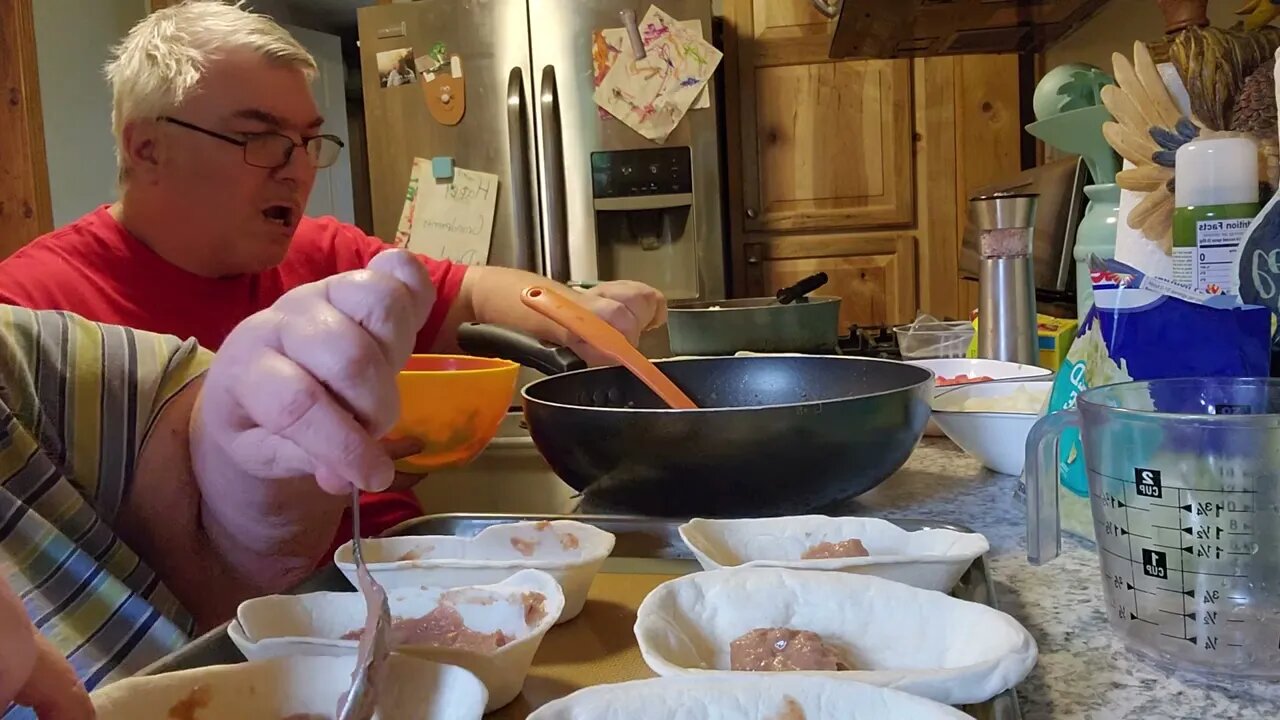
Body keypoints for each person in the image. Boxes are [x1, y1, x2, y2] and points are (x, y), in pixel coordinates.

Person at [0, 0, 667, 548]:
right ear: (147, 147)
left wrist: (582, 309)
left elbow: (474, 291)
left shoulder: (324, 256)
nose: (297, 167)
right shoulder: (30, 315)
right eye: (259, 138)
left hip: (403, 568)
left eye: (308, 140)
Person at [0, 249, 438, 718]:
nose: (297, 176)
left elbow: (207, 536)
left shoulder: (24, 355)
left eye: (311, 166)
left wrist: (253, 457)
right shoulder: (47, 273)